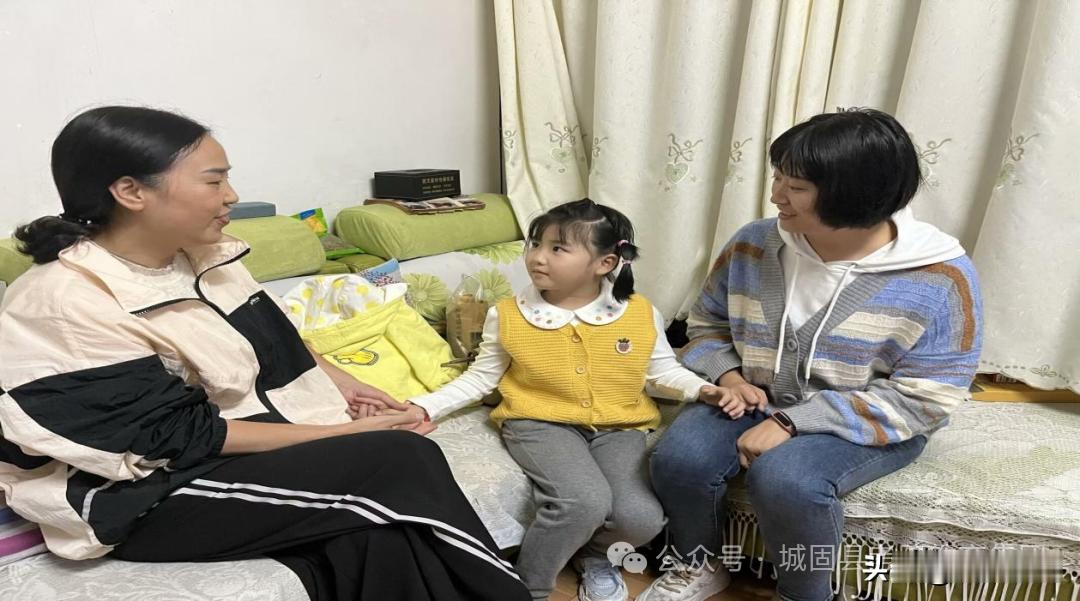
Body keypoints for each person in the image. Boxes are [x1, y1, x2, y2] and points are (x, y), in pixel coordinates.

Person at [0, 106, 530, 601]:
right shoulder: (63, 302)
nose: (231, 196)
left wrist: (348, 387)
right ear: (131, 191)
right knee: (398, 459)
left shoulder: (207, 258)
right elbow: (180, 439)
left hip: (237, 457)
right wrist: (346, 436)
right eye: (213, 181)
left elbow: (280, 339)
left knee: (375, 537)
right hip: (145, 497)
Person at [638, 108, 983, 601]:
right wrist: (730, 376)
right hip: (753, 396)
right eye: (778, 177)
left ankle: (805, 595)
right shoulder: (754, 243)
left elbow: (927, 396)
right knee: (679, 459)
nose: (776, 195)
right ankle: (698, 563)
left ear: (855, 193)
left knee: (787, 480)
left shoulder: (940, 277)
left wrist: (791, 422)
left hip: (866, 418)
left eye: (796, 186)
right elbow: (707, 324)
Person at [400, 199, 748, 601]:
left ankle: (593, 556)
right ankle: (526, 587)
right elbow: (480, 378)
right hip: (539, 424)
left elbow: (660, 370)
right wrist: (423, 406)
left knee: (641, 519)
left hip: (620, 427)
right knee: (582, 502)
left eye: (557, 248)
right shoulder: (509, 314)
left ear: (605, 263)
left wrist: (703, 389)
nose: (537, 257)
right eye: (535, 244)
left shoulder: (637, 312)